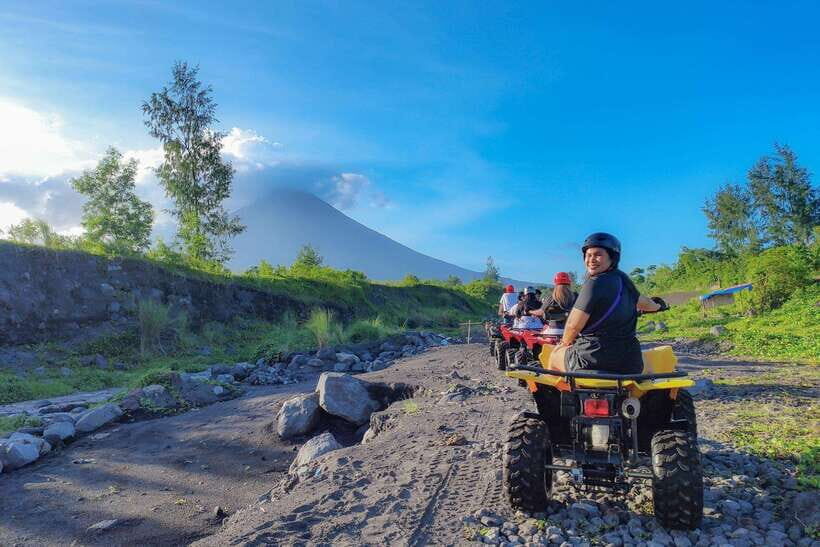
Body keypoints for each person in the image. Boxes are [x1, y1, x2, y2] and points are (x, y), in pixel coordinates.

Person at [548, 233, 666, 374]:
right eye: (588, 255)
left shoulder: (593, 283)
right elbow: (646, 303)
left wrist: (563, 344)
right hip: (630, 362)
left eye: (598, 255)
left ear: (612, 257)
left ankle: (559, 388)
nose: (591, 260)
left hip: (591, 359)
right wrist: (660, 306)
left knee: (554, 355)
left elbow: (573, 325)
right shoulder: (623, 279)